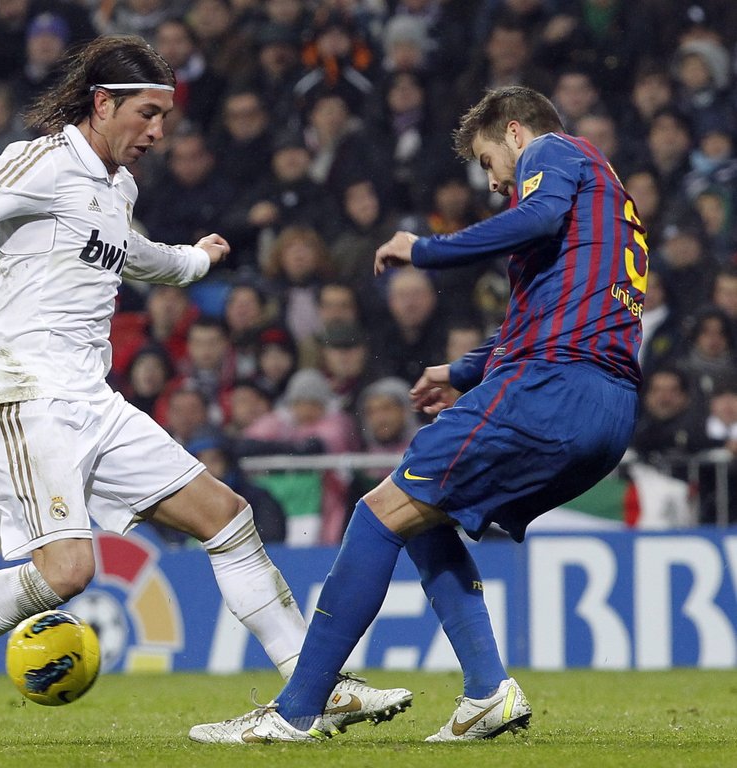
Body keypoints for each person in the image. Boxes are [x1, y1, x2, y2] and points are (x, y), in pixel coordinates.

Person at [0, 35, 407, 749]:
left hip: (92, 400)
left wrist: (194, 262)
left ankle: (315, 688)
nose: (158, 132)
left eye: (166, 117)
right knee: (67, 572)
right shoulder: (41, 161)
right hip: (25, 395)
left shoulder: (117, 186)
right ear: (102, 104)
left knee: (226, 516)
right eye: (147, 114)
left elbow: (131, 254)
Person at [189, 85, 645, 744]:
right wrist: (461, 371)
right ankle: (487, 692)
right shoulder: (608, 205)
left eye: (488, 162)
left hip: (550, 388)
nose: (494, 183)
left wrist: (425, 248)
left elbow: (537, 216)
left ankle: (296, 711)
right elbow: (546, 314)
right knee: (423, 515)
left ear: (514, 133)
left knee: (377, 514)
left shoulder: (553, 150)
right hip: (607, 409)